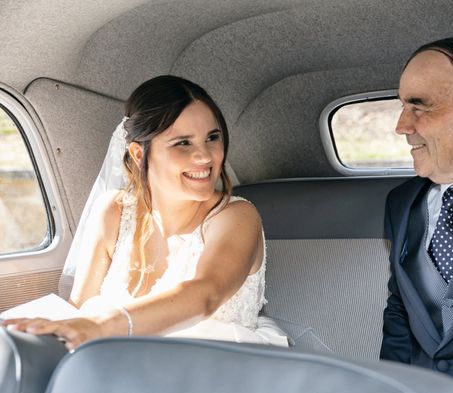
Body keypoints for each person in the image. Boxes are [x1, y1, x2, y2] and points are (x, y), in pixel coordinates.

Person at [3, 75, 288, 350]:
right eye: (183, 143)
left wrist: (104, 325)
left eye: (212, 138)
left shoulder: (235, 216)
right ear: (139, 154)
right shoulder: (113, 212)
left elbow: (206, 294)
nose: (205, 156)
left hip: (217, 372)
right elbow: (78, 309)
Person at [380, 36, 453, 393]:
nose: (402, 126)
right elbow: (400, 311)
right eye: (402, 106)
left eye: (419, 106)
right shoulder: (400, 203)